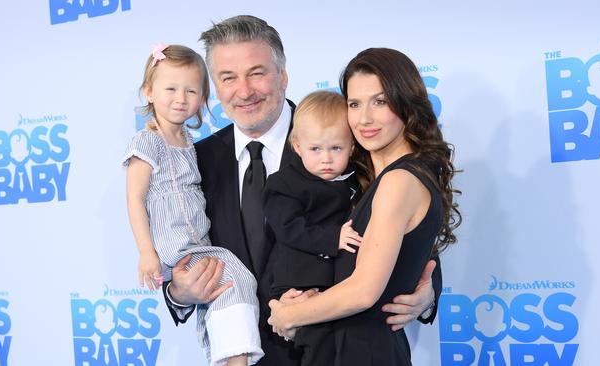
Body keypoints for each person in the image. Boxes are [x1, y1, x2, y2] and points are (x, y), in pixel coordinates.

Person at [162, 16, 443, 366]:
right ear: (214, 88)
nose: (244, 90)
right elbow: (178, 244)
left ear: (283, 76)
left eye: (257, 72)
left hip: (330, 351)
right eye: (228, 77)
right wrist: (179, 292)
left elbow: (406, 224)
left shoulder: (343, 138)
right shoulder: (194, 162)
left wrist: (426, 290)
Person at [267, 47, 462, 366]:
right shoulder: (363, 179)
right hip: (337, 348)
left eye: (380, 101)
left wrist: (288, 315)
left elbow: (363, 292)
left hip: (362, 353)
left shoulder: (399, 180)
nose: (364, 118)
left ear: (405, 103)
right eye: (354, 104)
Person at [122, 44, 263, 366]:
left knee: (221, 287)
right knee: (234, 275)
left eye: (191, 90)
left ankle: (229, 356)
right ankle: (236, 360)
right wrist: (146, 252)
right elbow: (134, 197)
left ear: (202, 98)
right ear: (149, 91)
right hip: (176, 245)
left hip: (197, 242)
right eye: (170, 88)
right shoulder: (147, 142)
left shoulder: (188, 143)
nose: (180, 98)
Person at [263, 90, 362, 366]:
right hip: (298, 282)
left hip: (340, 289)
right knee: (317, 344)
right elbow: (289, 228)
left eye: (336, 148)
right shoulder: (283, 184)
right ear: (297, 146)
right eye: (315, 149)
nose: (326, 159)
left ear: (352, 147)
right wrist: (333, 237)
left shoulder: (357, 181)